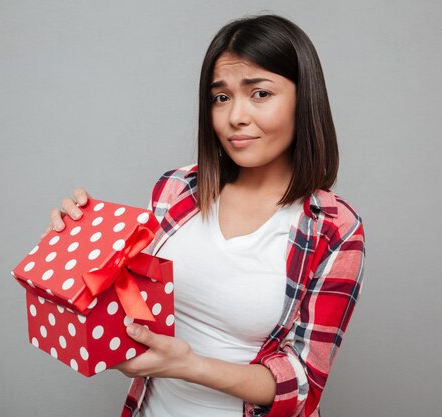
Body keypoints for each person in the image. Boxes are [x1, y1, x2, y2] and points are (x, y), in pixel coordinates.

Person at [44, 14, 365, 417]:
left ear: (304, 99)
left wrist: (187, 365)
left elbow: (302, 385)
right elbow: (127, 296)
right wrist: (76, 242)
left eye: (260, 94)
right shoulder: (177, 189)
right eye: (221, 97)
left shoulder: (334, 228)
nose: (235, 117)